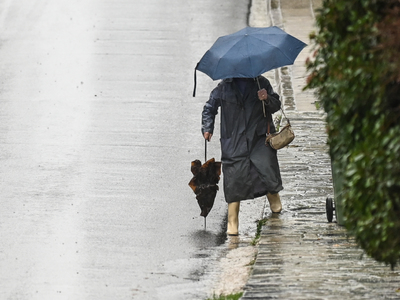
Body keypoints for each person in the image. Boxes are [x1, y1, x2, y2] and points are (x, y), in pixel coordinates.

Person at [201, 76, 283, 236]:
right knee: (233, 179)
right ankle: (232, 222)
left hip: (258, 139)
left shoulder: (261, 83)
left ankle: (275, 201)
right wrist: (207, 127)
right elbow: (209, 107)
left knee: (266, 171)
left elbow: (276, 105)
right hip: (234, 141)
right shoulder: (224, 87)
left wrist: (266, 98)